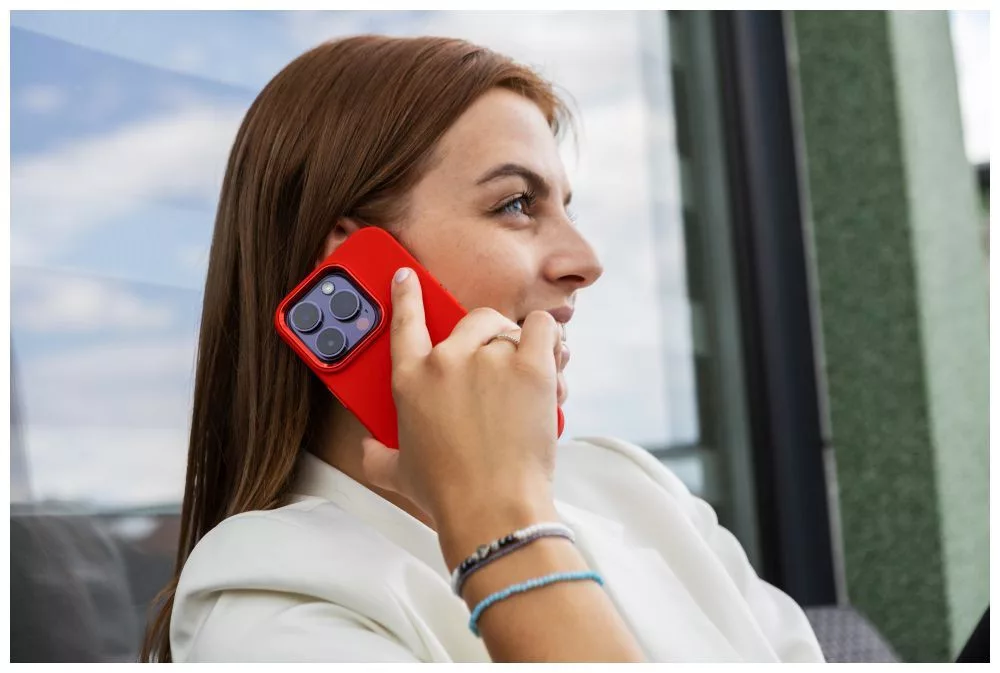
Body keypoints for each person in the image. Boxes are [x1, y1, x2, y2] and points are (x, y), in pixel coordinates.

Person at [140, 35, 825, 663]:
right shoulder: (268, 603)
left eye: (566, 207)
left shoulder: (633, 488)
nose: (584, 261)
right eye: (517, 204)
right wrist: (501, 524)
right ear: (350, 271)